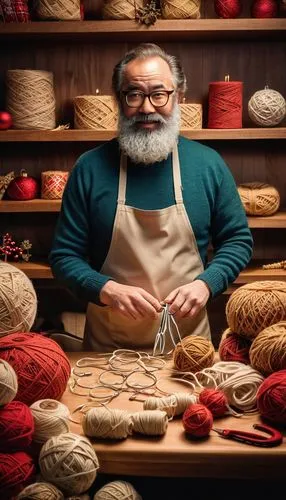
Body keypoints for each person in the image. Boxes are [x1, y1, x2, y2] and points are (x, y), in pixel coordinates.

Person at [49, 43, 253, 353]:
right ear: (119, 100)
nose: (147, 108)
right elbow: (64, 257)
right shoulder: (89, 168)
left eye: (159, 94)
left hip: (188, 350)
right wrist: (106, 289)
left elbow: (238, 241)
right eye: (134, 95)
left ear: (179, 96)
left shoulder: (208, 165)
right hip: (106, 351)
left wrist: (205, 284)